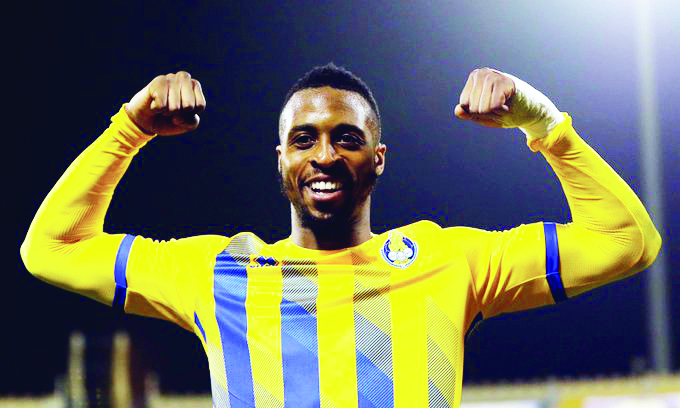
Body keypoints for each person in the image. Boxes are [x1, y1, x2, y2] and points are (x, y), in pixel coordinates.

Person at [21, 64, 661, 408]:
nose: (324, 155)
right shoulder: (219, 274)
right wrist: (128, 129)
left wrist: (541, 121)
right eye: (305, 140)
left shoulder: (447, 261)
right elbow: (50, 248)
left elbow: (628, 241)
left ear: (378, 158)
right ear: (281, 160)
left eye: (346, 138)